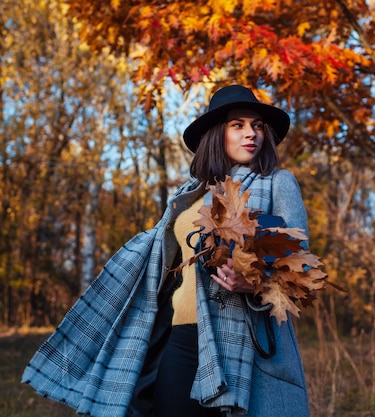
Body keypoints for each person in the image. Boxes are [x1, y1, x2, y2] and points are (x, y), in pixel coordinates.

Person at [22, 85, 311, 417]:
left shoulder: (277, 182)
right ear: (217, 134)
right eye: (239, 125)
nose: (252, 134)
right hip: (182, 333)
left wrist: (256, 283)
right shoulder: (188, 193)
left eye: (258, 125)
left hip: (243, 336)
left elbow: (300, 269)